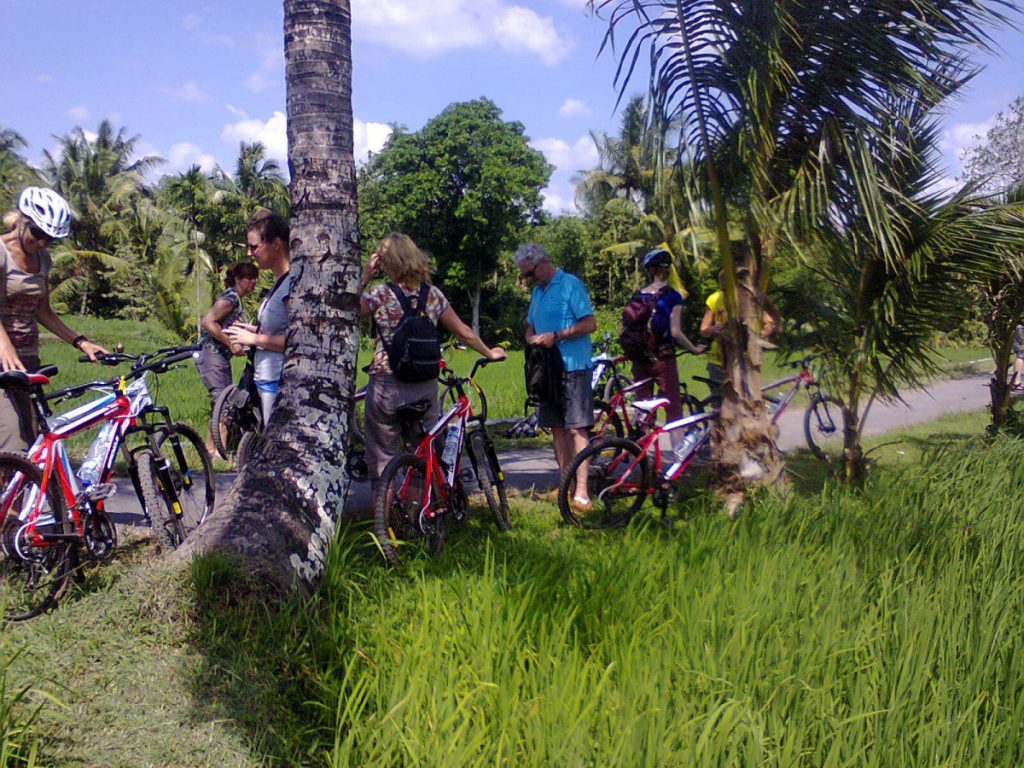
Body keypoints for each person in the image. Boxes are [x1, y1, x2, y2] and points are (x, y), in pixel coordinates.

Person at [359, 233, 505, 495]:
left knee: (383, 460)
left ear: (385, 262)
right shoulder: (433, 295)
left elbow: (347, 309)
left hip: (386, 383)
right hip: (424, 384)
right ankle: (422, 521)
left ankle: (386, 528)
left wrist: (365, 276)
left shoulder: (379, 294)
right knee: (422, 453)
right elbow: (463, 332)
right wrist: (489, 352)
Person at [0, 187, 109, 451]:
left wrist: (81, 342)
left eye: (49, 239)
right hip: (3, 363)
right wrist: (4, 345)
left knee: (35, 441)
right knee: (12, 442)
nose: (41, 243)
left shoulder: (43, 259)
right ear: (22, 221)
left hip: (27, 362)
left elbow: (43, 311)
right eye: (38, 234)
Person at [516, 243, 596, 513]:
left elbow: (589, 323)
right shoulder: (538, 292)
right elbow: (531, 325)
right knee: (558, 429)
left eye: (529, 274)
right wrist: (530, 337)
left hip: (573, 366)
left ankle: (582, 492)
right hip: (547, 371)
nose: (528, 281)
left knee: (577, 428)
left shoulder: (570, 284)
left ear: (542, 264)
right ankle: (564, 486)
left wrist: (557, 336)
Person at [623, 248, 705, 428]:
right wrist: (694, 348)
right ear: (666, 270)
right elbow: (675, 332)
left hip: (639, 359)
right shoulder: (672, 296)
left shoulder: (638, 295)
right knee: (673, 408)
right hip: (662, 359)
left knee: (643, 407)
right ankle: (676, 455)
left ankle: (639, 452)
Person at [224, 210, 290, 425]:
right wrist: (251, 331)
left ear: (276, 244)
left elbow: (297, 341)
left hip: (278, 379)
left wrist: (252, 339)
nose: (250, 253)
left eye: (254, 246)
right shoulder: (280, 282)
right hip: (266, 378)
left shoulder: (290, 285)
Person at [194, 261, 259, 453]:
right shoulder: (230, 299)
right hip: (211, 353)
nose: (253, 282)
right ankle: (219, 452)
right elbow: (208, 322)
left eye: (254, 278)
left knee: (220, 401)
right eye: (248, 277)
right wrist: (229, 343)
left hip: (220, 356)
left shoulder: (236, 300)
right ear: (238, 279)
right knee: (224, 404)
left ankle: (210, 448)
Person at [699, 277, 775, 397]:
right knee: (719, 405)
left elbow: (769, 323)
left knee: (744, 400)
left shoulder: (747, 298)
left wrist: (756, 339)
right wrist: (714, 330)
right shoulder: (714, 298)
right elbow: (703, 329)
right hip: (718, 360)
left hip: (743, 361)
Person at [1011, 323, 1024, 392]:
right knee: (1021, 354)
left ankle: (1017, 381)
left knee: (1021, 354)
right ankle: (1016, 382)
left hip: (1019, 326)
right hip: (1021, 327)